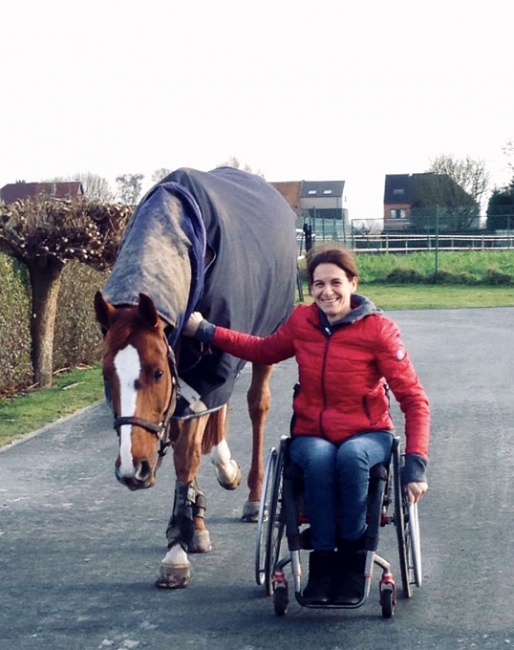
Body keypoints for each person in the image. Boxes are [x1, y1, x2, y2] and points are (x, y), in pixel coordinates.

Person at [182, 243, 430, 606]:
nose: (327, 291)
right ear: (310, 288)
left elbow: (414, 400)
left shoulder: (379, 330)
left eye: (335, 282)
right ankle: (322, 564)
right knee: (316, 457)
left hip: (368, 432)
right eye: (318, 284)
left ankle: (350, 558)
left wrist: (416, 464)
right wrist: (206, 330)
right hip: (313, 432)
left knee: (352, 456)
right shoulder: (303, 322)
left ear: (353, 284)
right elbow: (262, 350)